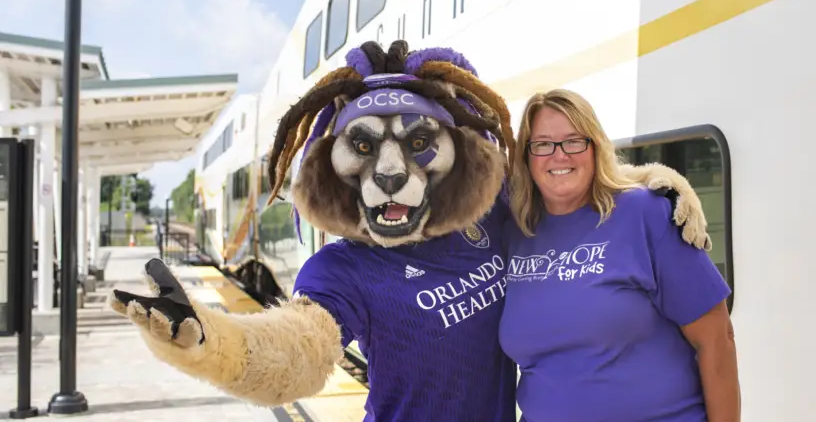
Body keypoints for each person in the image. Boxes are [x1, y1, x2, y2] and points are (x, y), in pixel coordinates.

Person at [109, 41, 711, 422]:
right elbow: (298, 351)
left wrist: (655, 181)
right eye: (364, 148)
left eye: (421, 145)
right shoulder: (344, 268)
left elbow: (563, 185)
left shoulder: (489, 215)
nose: (393, 172)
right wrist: (210, 342)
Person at [499, 89, 740, 422]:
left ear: (595, 147)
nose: (559, 156)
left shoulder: (646, 213)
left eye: (574, 141)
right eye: (542, 144)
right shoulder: (517, 233)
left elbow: (718, 339)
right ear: (526, 157)